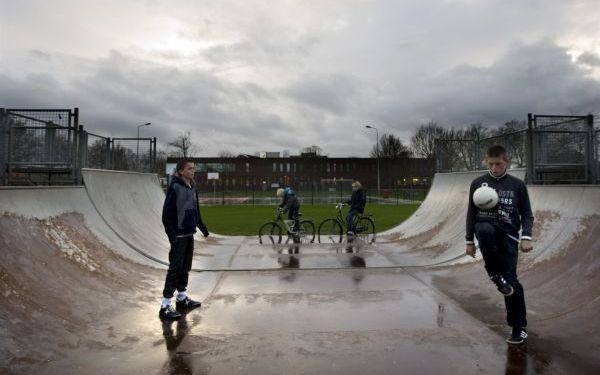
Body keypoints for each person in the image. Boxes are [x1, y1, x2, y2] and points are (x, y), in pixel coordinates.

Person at [466, 145, 534, 345]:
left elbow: (527, 214)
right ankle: (495, 276)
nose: (494, 168)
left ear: (507, 162)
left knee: (512, 282)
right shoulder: (478, 183)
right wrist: (469, 240)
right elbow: (471, 213)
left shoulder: (517, 185)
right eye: (491, 164)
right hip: (487, 233)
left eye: (498, 164)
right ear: (486, 162)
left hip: (509, 237)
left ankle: (518, 327)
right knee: (484, 228)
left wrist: (527, 236)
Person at [159, 160, 209, 320]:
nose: (193, 171)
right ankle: (165, 305)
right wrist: (172, 237)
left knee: (185, 267)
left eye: (194, 168)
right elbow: (166, 216)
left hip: (189, 234)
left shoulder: (193, 187)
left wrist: (202, 227)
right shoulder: (175, 187)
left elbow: (196, 211)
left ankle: (182, 298)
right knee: (175, 268)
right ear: (181, 171)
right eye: (189, 168)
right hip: (178, 236)